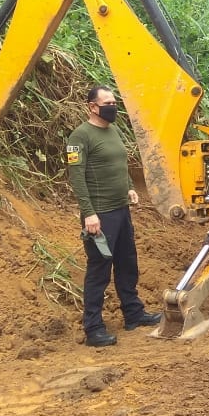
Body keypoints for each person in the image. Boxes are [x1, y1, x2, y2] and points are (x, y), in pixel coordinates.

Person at [66, 85, 162, 347]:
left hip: (121, 210)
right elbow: (77, 177)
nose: (112, 107)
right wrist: (89, 213)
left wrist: (129, 186)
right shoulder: (80, 136)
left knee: (127, 263)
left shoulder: (114, 130)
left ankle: (133, 313)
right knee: (99, 269)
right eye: (107, 103)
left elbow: (120, 163)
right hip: (100, 214)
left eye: (114, 102)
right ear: (92, 107)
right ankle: (94, 328)